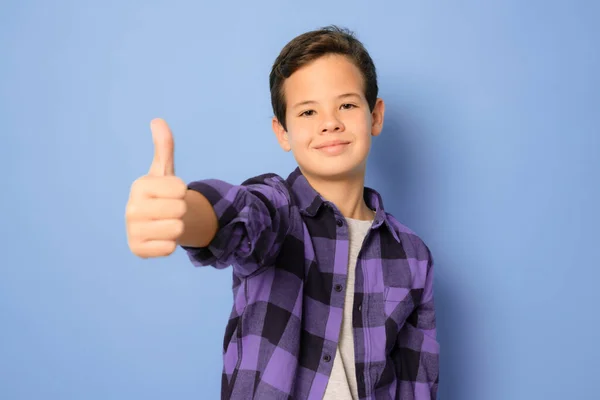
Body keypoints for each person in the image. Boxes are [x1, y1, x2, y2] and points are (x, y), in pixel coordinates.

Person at [125, 25, 439, 400]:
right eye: (307, 111)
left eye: (347, 105)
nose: (329, 122)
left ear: (375, 116)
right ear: (282, 132)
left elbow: (418, 383)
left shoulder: (412, 255)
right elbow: (236, 216)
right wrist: (183, 215)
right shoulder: (277, 211)